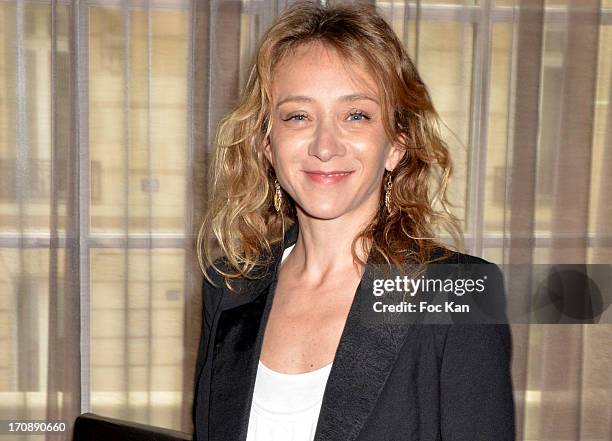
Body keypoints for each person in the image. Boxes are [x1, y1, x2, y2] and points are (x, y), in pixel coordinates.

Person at [193, 2, 515, 441]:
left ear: (397, 143)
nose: (325, 146)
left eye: (356, 115)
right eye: (298, 116)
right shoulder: (228, 286)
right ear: (267, 144)